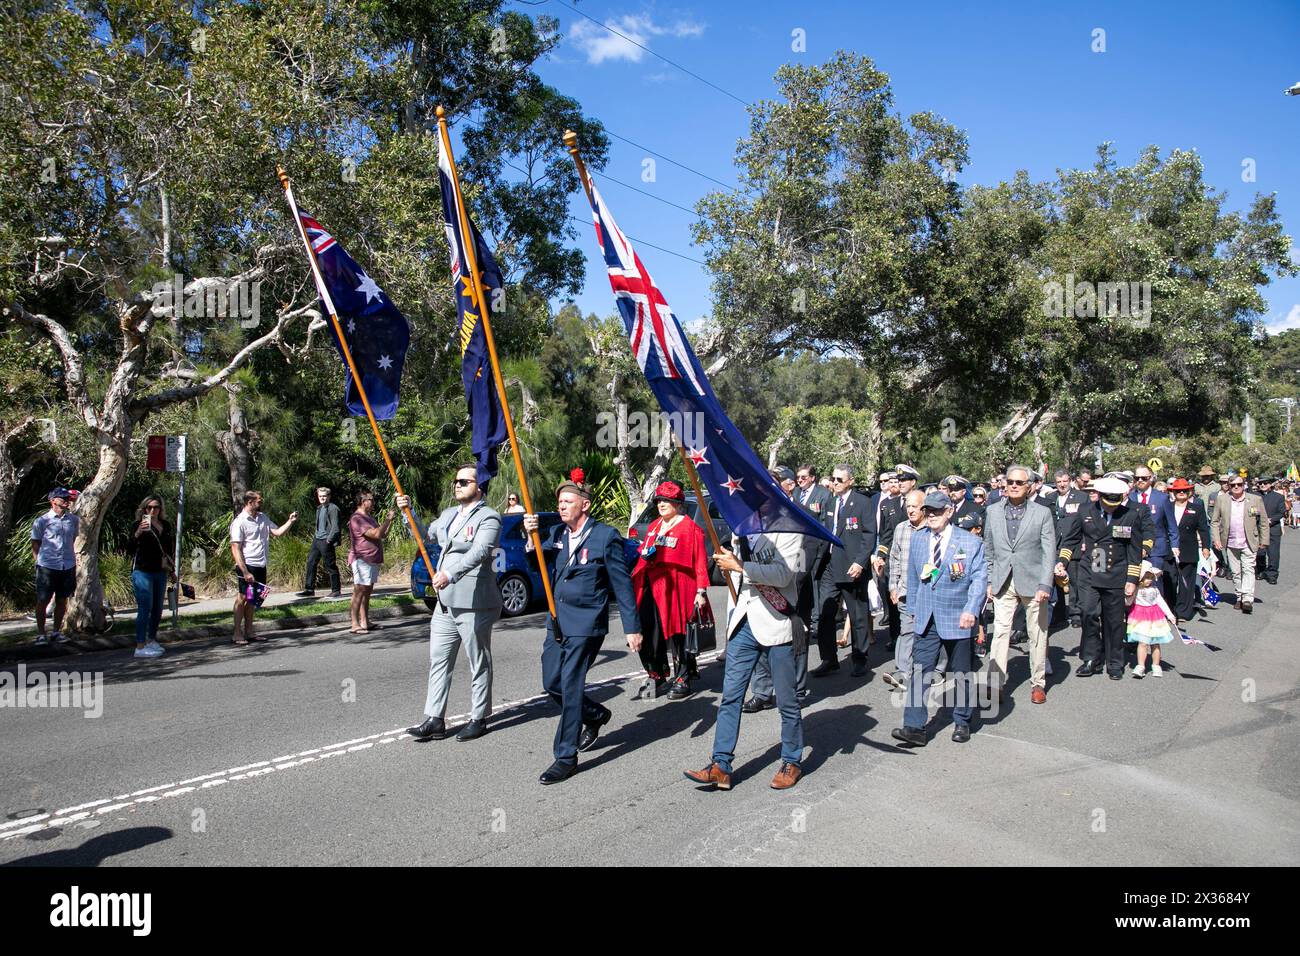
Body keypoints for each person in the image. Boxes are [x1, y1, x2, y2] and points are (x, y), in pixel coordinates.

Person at [523, 469, 640, 785]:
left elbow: (622, 584)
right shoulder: (558, 535)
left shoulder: (605, 536)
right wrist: (531, 541)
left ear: (584, 505)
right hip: (557, 620)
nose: (560, 506)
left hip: (586, 624)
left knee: (571, 685)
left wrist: (632, 627)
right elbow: (539, 565)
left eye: (567, 501)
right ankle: (595, 714)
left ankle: (565, 757)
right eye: (559, 501)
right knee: (552, 683)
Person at [683, 523, 811, 791]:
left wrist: (740, 566)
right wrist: (727, 566)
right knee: (730, 696)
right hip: (744, 622)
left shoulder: (789, 529)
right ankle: (721, 764)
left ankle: (791, 760)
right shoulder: (742, 527)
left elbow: (783, 575)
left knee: (787, 700)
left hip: (777, 621)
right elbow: (738, 577)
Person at [401, 464, 502, 742]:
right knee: (439, 660)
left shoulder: (489, 517)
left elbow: (481, 551)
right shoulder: (448, 515)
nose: (456, 485)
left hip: (473, 602)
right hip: (445, 602)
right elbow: (424, 536)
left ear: (479, 487)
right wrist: (408, 513)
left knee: (477, 660)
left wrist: (450, 573)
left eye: (463, 481)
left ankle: (479, 717)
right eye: (455, 481)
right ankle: (435, 719)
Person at [890, 491, 988, 746]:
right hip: (926, 616)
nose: (931, 515)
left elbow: (978, 580)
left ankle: (962, 721)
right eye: (928, 511)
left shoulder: (969, 542)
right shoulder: (920, 539)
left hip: (958, 617)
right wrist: (912, 607)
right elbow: (913, 576)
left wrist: (971, 609)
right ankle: (914, 727)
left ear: (949, 511)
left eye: (936, 511)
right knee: (919, 671)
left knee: (961, 672)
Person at [983, 466, 1058, 704]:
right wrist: (988, 579)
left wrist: (1046, 583)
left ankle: (1038, 683)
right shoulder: (992, 511)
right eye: (1010, 481)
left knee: (1037, 634)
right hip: (1003, 580)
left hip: (1034, 582)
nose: (1013, 485)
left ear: (1029, 486)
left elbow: (1049, 552)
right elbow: (989, 549)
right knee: (1000, 632)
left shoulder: (1042, 513)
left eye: (1019, 482)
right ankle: (995, 684)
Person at [630, 480, 710, 700]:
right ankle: (657, 674)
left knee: (679, 633)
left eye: (667, 500)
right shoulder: (655, 525)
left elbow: (700, 562)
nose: (661, 504)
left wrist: (701, 590)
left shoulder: (690, 528)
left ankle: (683, 675)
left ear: (678, 503)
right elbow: (644, 552)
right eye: (659, 500)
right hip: (653, 586)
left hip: (680, 586)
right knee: (650, 630)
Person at [747, 466, 816, 709]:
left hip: (792, 589)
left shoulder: (799, 514)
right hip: (761, 589)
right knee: (760, 641)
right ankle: (763, 692)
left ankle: (796, 691)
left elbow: (808, 552)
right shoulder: (751, 520)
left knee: (795, 642)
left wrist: (788, 582)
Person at [1069, 476, 1144, 679]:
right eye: (1107, 502)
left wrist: (1132, 579)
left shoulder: (1131, 515)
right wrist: (1063, 560)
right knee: (1088, 613)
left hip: (1116, 572)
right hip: (1090, 571)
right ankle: (1091, 658)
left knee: (1114, 621)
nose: (1111, 507)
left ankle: (1115, 662)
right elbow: (1072, 538)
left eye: (1116, 502)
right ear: (1099, 497)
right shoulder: (1085, 511)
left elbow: (1135, 550)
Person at [812, 464, 875, 678]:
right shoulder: (830, 502)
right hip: (830, 565)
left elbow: (869, 535)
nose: (835, 482)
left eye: (840, 479)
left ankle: (859, 657)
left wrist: (860, 562)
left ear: (850, 481)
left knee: (857, 615)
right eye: (833, 479)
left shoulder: (863, 503)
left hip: (852, 566)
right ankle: (829, 659)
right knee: (825, 612)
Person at [229, 490, 297, 645]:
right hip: (247, 566)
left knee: (253, 600)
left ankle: (249, 631)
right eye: (259, 501)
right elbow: (235, 548)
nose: (261, 502)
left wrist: (290, 521)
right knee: (242, 598)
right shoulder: (239, 522)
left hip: (261, 564)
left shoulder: (262, 518)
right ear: (250, 502)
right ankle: (237, 633)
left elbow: (277, 532)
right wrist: (245, 571)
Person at [884, 488, 927, 690]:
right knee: (907, 631)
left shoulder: (933, 529)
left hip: (928, 593)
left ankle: (937, 669)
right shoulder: (901, 528)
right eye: (908, 506)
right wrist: (893, 586)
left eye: (915, 506)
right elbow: (894, 559)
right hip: (905, 592)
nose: (911, 510)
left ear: (924, 508)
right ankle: (903, 672)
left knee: (929, 633)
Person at [124, 493, 175, 659]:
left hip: (160, 571)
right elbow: (129, 549)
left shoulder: (165, 525)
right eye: (149, 507)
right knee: (144, 608)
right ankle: (140, 645)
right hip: (143, 571)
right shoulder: (138, 525)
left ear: (161, 509)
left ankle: (151, 639)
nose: (153, 510)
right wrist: (138, 533)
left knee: (157, 609)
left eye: (156, 507)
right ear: (144, 508)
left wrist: (172, 570)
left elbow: (169, 549)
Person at [1210, 475, 1268, 613]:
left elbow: (1263, 522)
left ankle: (1247, 599)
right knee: (1236, 572)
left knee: (1248, 569)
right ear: (1228, 486)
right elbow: (1215, 521)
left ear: (1244, 485)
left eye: (1239, 484)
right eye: (1233, 485)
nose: (1236, 487)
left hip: (1249, 541)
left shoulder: (1255, 499)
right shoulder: (1222, 499)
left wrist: (1264, 540)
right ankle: (1239, 597)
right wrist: (1216, 539)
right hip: (1230, 541)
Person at [31, 488, 80, 645]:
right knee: (43, 600)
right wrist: (38, 562)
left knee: (62, 600)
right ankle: (41, 633)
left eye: (67, 498)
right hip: (47, 566)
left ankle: (56, 632)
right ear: (53, 500)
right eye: (63, 498)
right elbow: (35, 543)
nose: (66, 500)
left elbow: (72, 539)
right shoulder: (42, 521)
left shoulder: (73, 520)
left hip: (67, 565)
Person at [1130, 465, 1178, 609]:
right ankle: (1136, 614)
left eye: (1144, 478)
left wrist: (1175, 545)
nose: (1140, 481)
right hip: (1133, 547)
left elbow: (1171, 524)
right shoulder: (1129, 497)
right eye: (1136, 478)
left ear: (1151, 478)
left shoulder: (1162, 498)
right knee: (1134, 581)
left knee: (1153, 583)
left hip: (1156, 548)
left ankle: (1157, 614)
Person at [346, 491, 393, 634]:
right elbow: (376, 534)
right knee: (359, 590)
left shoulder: (368, 518)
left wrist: (389, 521)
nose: (373, 502)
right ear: (362, 501)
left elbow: (382, 534)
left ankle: (365, 621)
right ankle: (354, 624)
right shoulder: (357, 519)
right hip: (362, 559)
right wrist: (387, 519)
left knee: (367, 591)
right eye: (370, 500)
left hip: (372, 559)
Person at [1167, 477, 1212, 622]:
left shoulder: (1197, 508)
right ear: (1173, 492)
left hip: (1189, 549)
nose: (1181, 492)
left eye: (1184, 490)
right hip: (1169, 550)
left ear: (1189, 492)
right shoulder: (1167, 507)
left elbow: (1204, 529)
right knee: (1170, 581)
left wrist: (1206, 546)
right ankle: (1170, 610)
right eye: (1178, 490)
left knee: (1187, 583)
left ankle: (1183, 612)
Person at [1048, 468, 1088, 628]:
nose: (1062, 484)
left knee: (1074, 581)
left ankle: (1076, 613)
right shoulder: (1050, 498)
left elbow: (1087, 520)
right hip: (1055, 544)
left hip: (1075, 544)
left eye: (1065, 481)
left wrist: (1085, 540)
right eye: (1059, 482)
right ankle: (1059, 614)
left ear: (1070, 481)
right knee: (1055, 579)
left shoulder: (1081, 497)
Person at [1127, 562, 1177, 678]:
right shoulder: (1136, 589)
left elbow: (1161, 602)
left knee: (1155, 642)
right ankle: (1140, 666)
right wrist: (1128, 596)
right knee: (1143, 642)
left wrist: (1170, 615)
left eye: (1150, 577)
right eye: (1146, 578)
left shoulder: (1155, 589)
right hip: (1140, 617)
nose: (1149, 580)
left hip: (1155, 617)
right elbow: (1129, 602)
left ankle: (1156, 665)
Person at [297, 487, 341, 597]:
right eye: (320, 496)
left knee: (330, 565)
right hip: (317, 539)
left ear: (329, 496)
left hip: (326, 540)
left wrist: (329, 540)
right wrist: (316, 536)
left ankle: (336, 590)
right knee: (311, 562)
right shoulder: (319, 508)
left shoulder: (333, 508)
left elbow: (335, 527)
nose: (322, 498)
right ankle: (309, 589)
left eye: (324, 496)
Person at [1255, 476, 1286, 585]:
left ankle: (1272, 574)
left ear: (1271, 484)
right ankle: (1260, 570)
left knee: (1273, 553)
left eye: (1266, 483)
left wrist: (1271, 520)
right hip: (1258, 527)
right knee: (1260, 552)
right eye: (1261, 483)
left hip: (1273, 528)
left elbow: (1282, 512)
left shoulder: (1279, 497)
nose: (1263, 485)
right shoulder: (1255, 496)